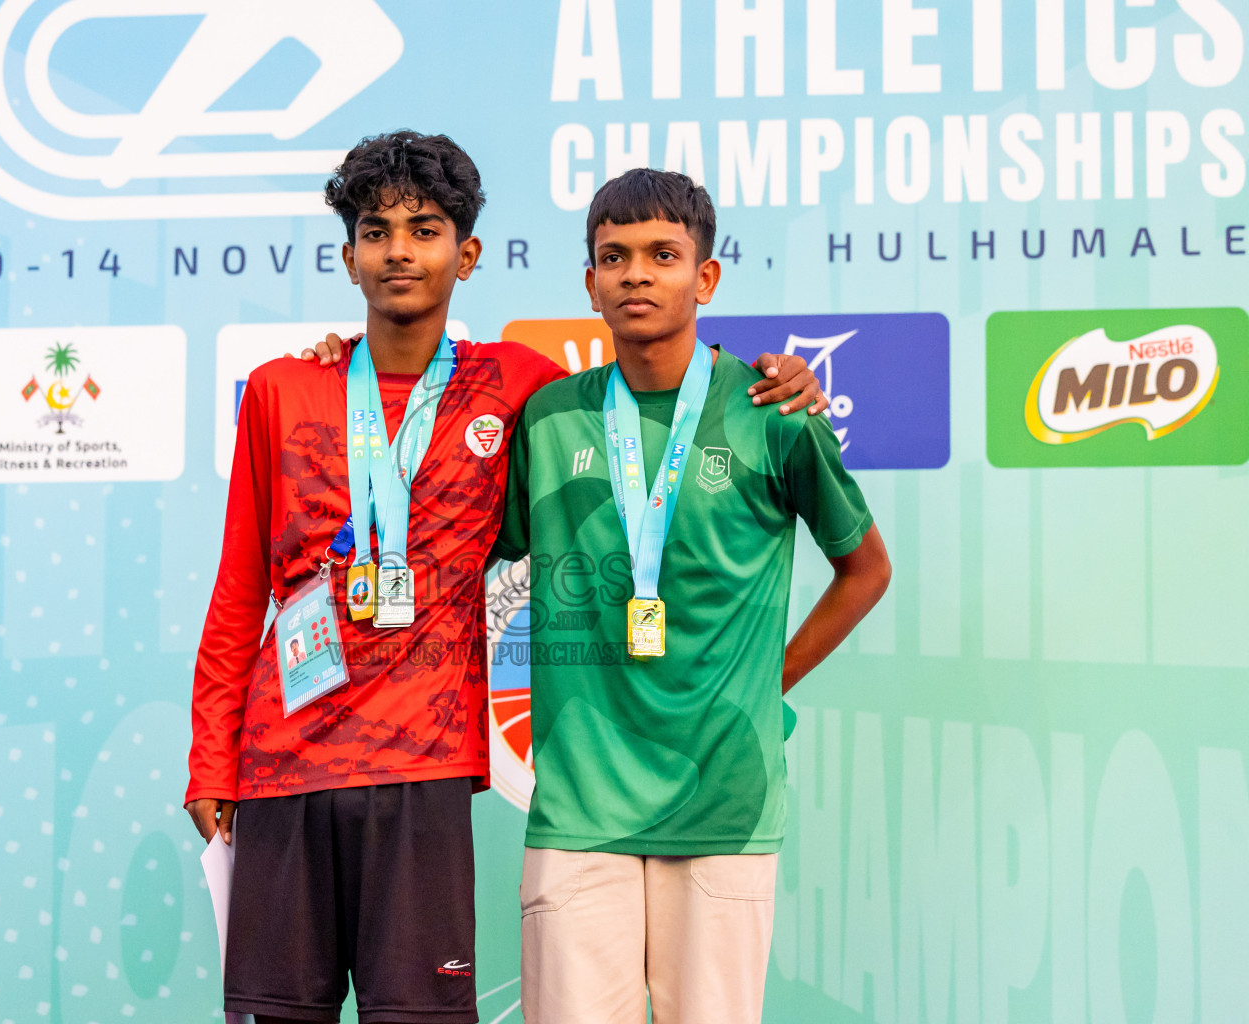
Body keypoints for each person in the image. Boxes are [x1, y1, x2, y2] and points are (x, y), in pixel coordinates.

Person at [185, 132, 825, 1024]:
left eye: (425, 229)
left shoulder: (519, 386)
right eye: (377, 232)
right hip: (281, 764)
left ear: (468, 253)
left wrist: (785, 377)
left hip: (428, 767)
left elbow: (653, 390)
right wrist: (209, 757)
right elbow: (238, 586)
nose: (400, 250)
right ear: (348, 256)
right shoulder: (280, 388)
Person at [491, 168, 893, 1024]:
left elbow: (866, 570)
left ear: (704, 278)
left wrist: (766, 678)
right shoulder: (549, 417)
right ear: (589, 282)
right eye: (615, 256)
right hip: (577, 808)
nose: (637, 273)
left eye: (663, 254)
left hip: (726, 804)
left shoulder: (774, 412)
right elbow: (484, 556)